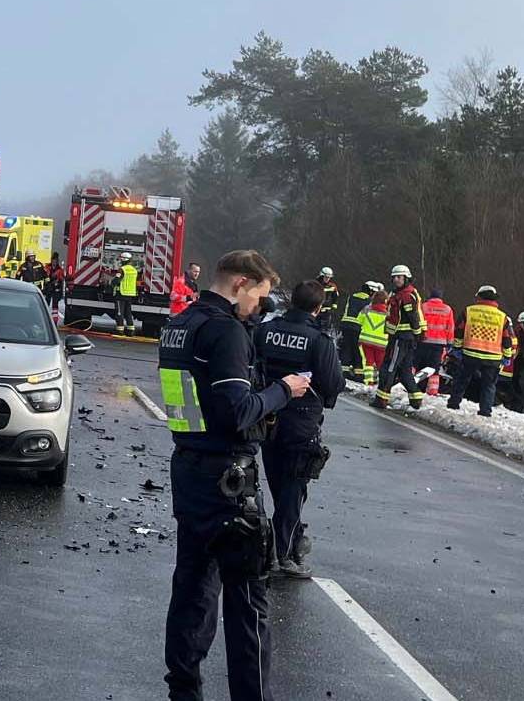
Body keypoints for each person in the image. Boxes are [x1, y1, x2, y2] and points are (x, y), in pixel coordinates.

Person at [158, 250, 308, 701]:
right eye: (259, 296)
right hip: (229, 480)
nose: (259, 308)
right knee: (248, 603)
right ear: (241, 283)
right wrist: (284, 390)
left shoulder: (180, 324)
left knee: (192, 590)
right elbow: (238, 412)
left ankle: (183, 692)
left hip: (188, 467)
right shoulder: (225, 331)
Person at [254, 280, 343, 580]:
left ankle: (288, 542)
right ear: (318, 308)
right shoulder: (319, 340)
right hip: (302, 423)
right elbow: (332, 384)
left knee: (278, 484)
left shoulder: (266, 330)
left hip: (267, 415)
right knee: (293, 489)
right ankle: (284, 553)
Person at [445, 285, 514, 417]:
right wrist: (507, 356)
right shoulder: (502, 317)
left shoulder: (469, 311)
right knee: (488, 385)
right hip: (493, 358)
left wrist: (457, 349)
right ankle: (485, 410)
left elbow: (459, 332)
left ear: (480, 297)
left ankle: (453, 403)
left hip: (470, 354)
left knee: (462, 380)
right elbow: (506, 339)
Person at [379, 265, 427, 408]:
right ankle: (416, 399)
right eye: (394, 277)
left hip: (401, 338)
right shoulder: (400, 293)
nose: (396, 280)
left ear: (406, 278)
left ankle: (381, 399)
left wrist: (418, 333)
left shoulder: (406, 295)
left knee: (389, 367)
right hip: (402, 337)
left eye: (399, 277)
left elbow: (413, 316)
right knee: (405, 370)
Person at [418, 289, 456, 397]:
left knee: (419, 365)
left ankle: (413, 386)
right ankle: (432, 391)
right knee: (434, 367)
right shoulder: (447, 309)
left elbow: (417, 322)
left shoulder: (423, 306)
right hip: (439, 344)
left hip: (423, 341)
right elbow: (450, 328)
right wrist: (449, 343)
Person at [336, 281, 375, 381]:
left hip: (346, 324)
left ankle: (344, 370)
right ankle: (359, 373)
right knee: (357, 350)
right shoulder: (369, 300)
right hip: (357, 326)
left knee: (346, 347)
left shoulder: (352, 297)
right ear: (370, 291)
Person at [356, 290, 390, 388]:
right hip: (382, 343)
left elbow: (359, 320)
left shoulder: (367, 309)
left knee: (368, 361)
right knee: (380, 363)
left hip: (366, 340)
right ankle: (381, 383)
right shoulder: (388, 313)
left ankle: (369, 382)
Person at [114, 253, 140, 335]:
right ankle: (130, 330)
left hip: (121, 293)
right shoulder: (134, 270)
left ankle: (120, 330)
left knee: (119, 312)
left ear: (122, 260)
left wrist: (111, 283)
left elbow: (116, 281)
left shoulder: (122, 269)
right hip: (130, 294)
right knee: (128, 312)